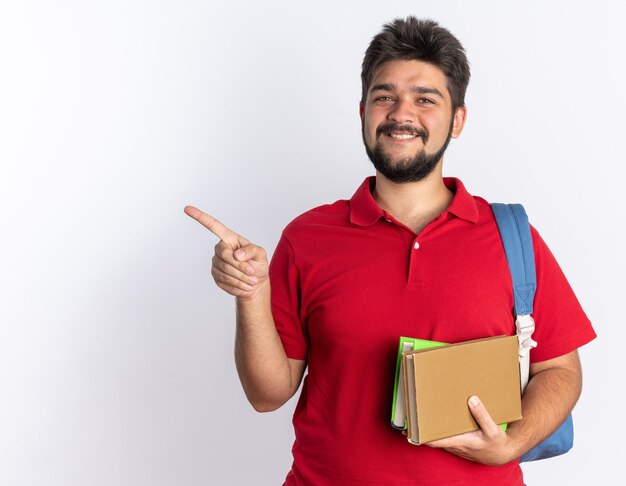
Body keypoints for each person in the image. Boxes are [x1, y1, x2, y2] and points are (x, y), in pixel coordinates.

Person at [185, 16, 596, 486]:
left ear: (457, 119)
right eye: (385, 97)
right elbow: (267, 395)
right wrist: (251, 295)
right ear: (363, 111)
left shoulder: (511, 236)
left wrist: (512, 444)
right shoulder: (309, 236)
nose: (402, 114)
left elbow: (560, 370)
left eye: (425, 99)